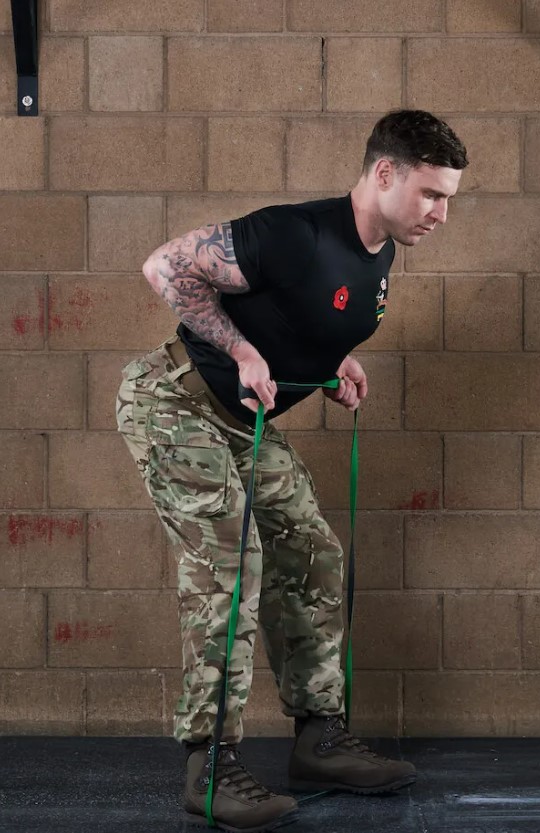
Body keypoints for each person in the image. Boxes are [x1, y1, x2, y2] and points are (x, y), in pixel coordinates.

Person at [116, 109, 467, 832]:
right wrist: (243, 351)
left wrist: (330, 361)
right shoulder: (295, 231)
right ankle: (209, 765)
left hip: (241, 425)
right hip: (173, 402)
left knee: (310, 555)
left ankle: (319, 739)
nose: (441, 212)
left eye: (449, 197)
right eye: (431, 193)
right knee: (230, 565)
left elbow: (304, 314)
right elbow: (164, 266)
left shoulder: (379, 252)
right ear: (383, 173)